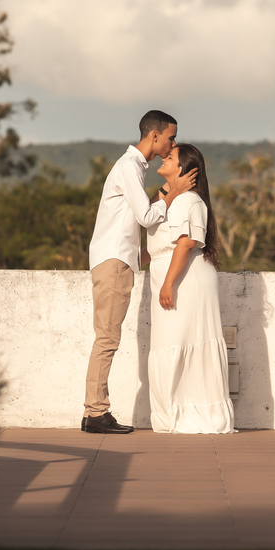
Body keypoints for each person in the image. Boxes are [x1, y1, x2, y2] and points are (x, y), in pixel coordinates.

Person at [82, 110, 197, 435]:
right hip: (114, 261)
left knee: (106, 337)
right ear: (155, 136)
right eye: (171, 137)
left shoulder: (133, 168)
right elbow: (146, 218)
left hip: (118, 260)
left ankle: (94, 411)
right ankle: (95, 412)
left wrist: (167, 190)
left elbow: (137, 211)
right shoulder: (129, 167)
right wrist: (173, 193)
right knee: (107, 338)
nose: (173, 143)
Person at [146, 143, 235, 434]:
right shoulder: (172, 199)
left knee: (180, 340)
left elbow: (186, 242)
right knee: (171, 342)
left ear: (184, 169)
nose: (163, 157)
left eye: (170, 157)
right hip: (172, 272)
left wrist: (168, 283)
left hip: (184, 277)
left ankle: (191, 414)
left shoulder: (188, 201)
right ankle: (174, 413)